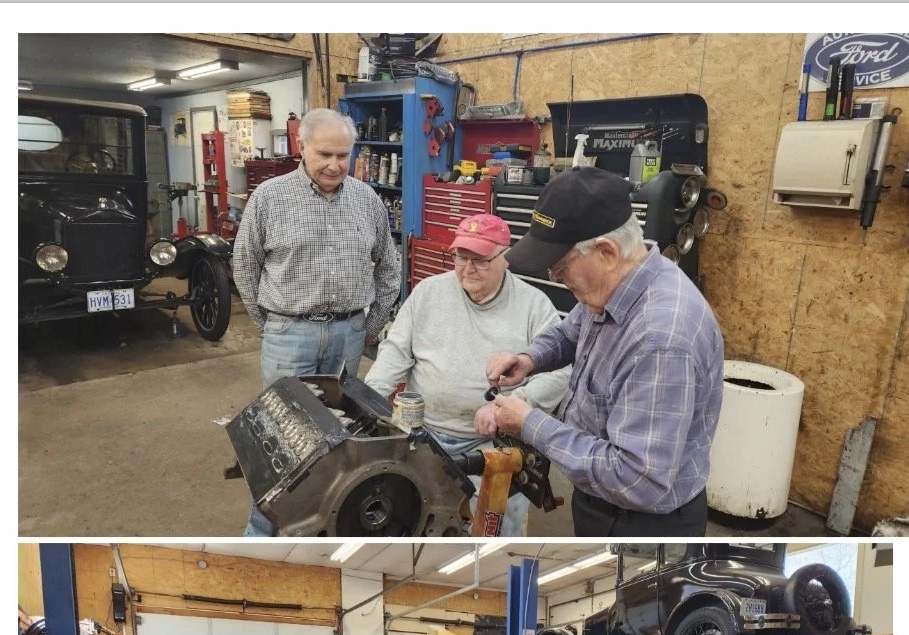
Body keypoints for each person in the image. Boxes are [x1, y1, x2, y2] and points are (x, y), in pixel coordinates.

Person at [485, 168, 724, 538]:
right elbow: (570, 332)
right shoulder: (617, 282)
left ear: (607, 252)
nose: (554, 277)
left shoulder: (659, 339)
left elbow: (637, 479)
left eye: (560, 266)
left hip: (641, 523)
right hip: (599, 498)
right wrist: (529, 359)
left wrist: (530, 424)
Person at [233, 107, 401, 535]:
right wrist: (273, 325)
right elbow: (245, 266)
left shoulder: (367, 201)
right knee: (280, 441)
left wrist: (367, 328)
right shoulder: (269, 198)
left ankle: (322, 524)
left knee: (341, 436)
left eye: (343, 155)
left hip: (348, 336)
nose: (334, 165)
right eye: (325, 154)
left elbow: (389, 270)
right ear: (301, 147)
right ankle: (263, 532)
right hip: (289, 333)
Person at [365, 213, 570, 536]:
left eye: (480, 259)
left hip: (495, 444)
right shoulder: (429, 292)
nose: (468, 268)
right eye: (461, 256)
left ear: (505, 258)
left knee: (499, 531)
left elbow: (559, 374)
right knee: (421, 523)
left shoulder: (534, 305)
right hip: (424, 436)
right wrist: (369, 399)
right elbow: (395, 352)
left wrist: (510, 406)